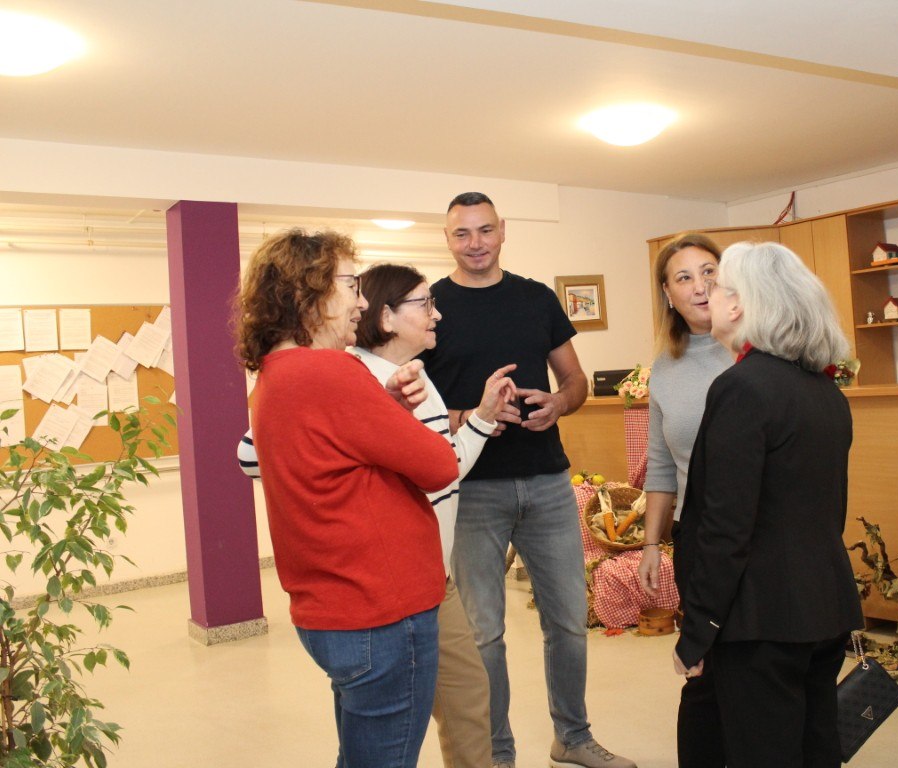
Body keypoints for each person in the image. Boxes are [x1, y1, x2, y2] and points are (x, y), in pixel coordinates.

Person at [420, 192, 635, 768]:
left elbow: (576, 380)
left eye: (485, 230)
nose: (475, 243)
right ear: (447, 238)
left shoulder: (537, 298)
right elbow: (417, 409)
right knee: (483, 634)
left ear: (503, 230)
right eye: (462, 233)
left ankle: (573, 737)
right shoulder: (431, 308)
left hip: (547, 483)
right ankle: (496, 754)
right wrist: (475, 415)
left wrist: (558, 404)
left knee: (568, 622)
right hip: (472, 489)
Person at [234, 229, 459, 768]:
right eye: (351, 285)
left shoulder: (275, 377)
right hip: (381, 611)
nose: (361, 302)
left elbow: (335, 457)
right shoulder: (331, 372)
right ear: (306, 290)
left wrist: (383, 408)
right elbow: (440, 466)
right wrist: (396, 416)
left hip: (332, 609)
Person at [673, 241, 863, 768]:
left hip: (761, 618)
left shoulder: (742, 387)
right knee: (815, 748)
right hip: (821, 604)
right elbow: (830, 510)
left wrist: (699, 631)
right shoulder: (825, 390)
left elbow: (725, 525)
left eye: (716, 285)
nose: (707, 295)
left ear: (739, 304)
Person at [636, 233, 731, 768]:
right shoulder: (665, 369)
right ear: (667, 294)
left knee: (758, 668)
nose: (701, 286)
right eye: (684, 277)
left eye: (709, 271)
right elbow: (661, 465)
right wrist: (652, 544)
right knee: (703, 671)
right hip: (700, 536)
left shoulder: (757, 350)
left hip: (761, 532)